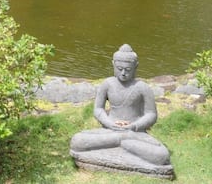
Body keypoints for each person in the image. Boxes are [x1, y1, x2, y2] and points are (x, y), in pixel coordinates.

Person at [69, 44, 173, 173]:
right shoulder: (107, 84)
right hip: (110, 130)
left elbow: (151, 114)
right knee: (77, 141)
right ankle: (121, 141)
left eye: (128, 69)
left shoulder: (142, 87)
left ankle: (120, 142)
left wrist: (134, 126)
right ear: (113, 65)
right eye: (119, 69)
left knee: (161, 155)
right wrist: (110, 123)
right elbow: (98, 109)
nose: (123, 73)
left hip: (134, 133)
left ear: (136, 67)